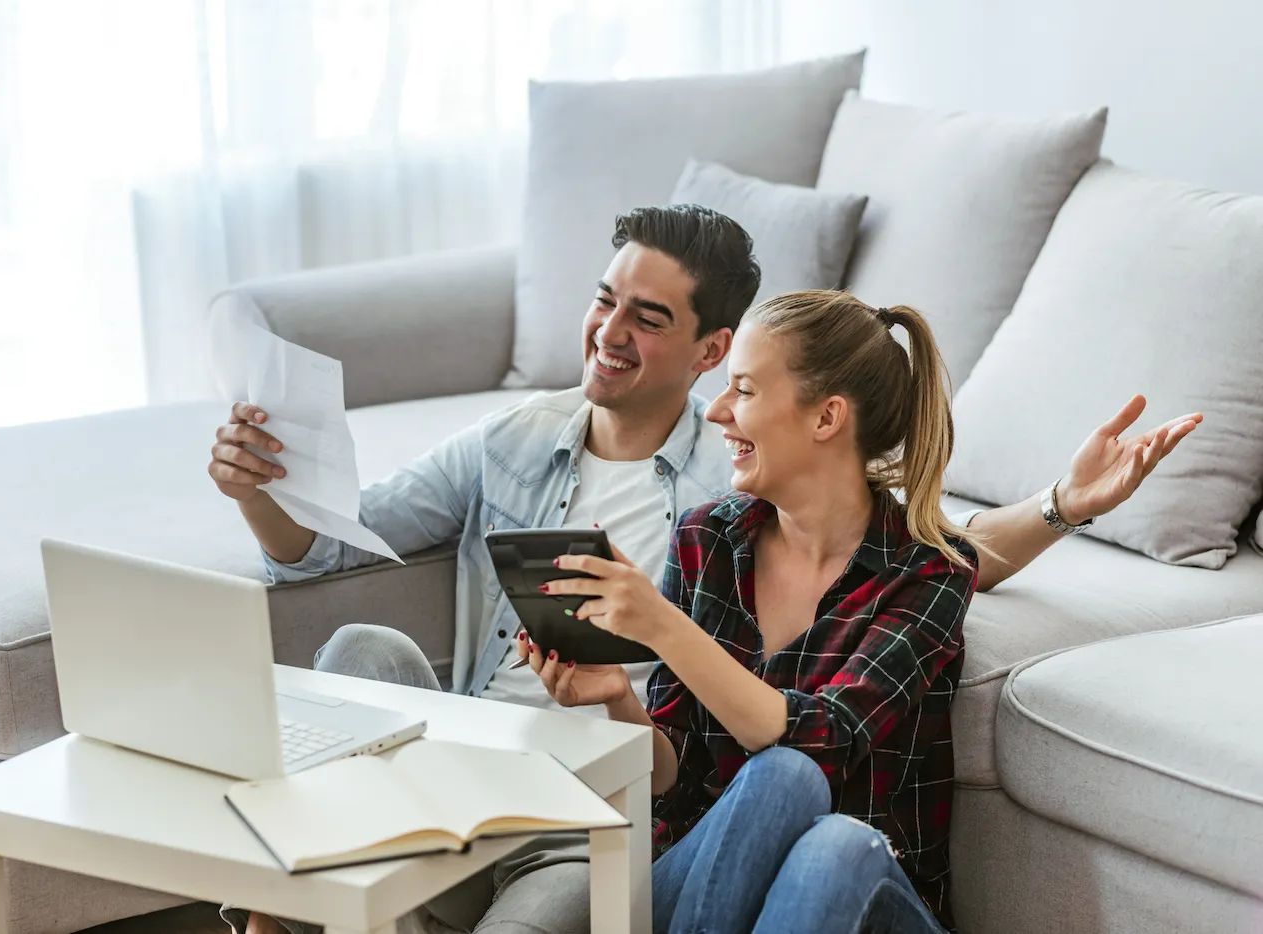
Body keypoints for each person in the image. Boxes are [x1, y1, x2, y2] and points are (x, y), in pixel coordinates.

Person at [207, 206, 1200, 934]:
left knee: (809, 814)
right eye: (604, 303)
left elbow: (907, 592)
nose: (609, 333)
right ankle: (286, 906)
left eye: (650, 321)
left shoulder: (805, 526)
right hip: (563, 800)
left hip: (683, 838)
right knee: (364, 649)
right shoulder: (698, 528)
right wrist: (616, 701)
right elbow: (673, 760)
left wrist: (1060, 506)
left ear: (718, 358)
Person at [522, 289, 984, 932]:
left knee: (831, 835)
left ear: (826, 418)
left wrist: (663, 624)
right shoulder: (707, 539)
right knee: (782, 780)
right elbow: (674, 785)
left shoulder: (928, 571)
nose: (715, 411)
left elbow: (827, 740)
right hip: (703, 887)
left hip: (861, 897)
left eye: (743, 389)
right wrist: (617, 702)